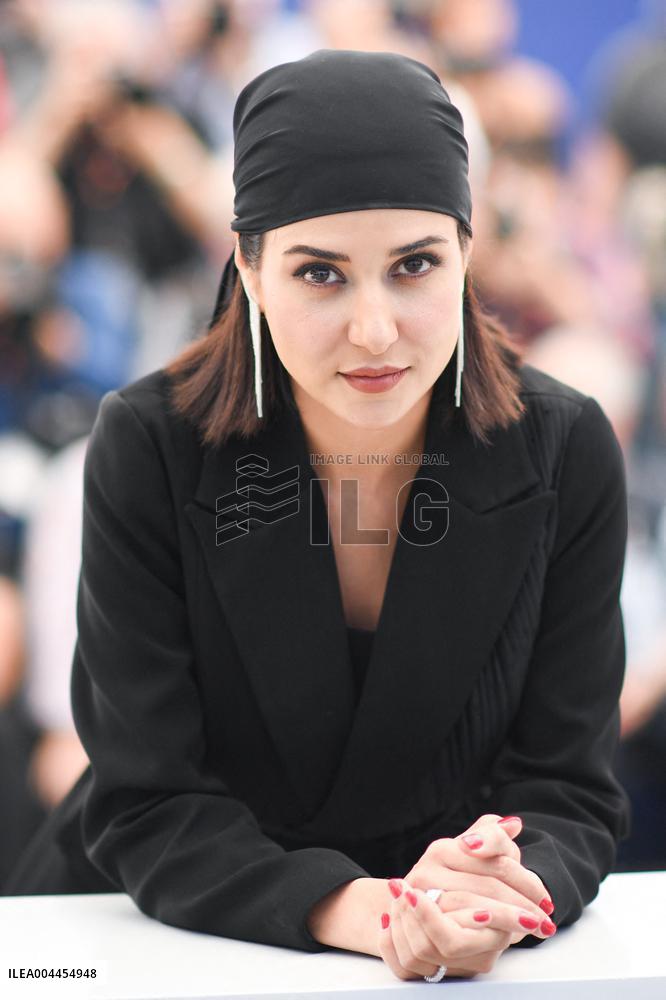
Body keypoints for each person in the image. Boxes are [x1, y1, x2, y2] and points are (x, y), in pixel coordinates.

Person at [4, 49, 631, 984]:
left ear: (466, 255)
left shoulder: (566, 448)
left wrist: (500, 893)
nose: (374, 330)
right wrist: (376, 911)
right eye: (321, 275)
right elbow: (147, 801)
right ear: (249, 271)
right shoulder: (148, 445)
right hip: (163, 942)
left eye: (414, 266)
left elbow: (569, 786)